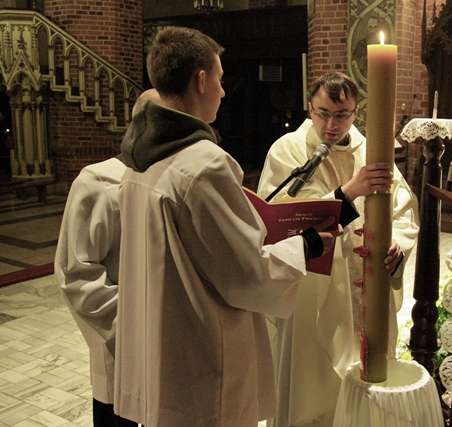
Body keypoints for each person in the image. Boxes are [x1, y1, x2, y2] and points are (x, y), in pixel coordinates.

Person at [113, 27, 334, 427]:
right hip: (202, 353)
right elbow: (247, 275)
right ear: (201, 80)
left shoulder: (137, 162)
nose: (223, 90)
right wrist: (306, 246)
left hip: (161, 344)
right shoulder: (204, 165)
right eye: (219, 78)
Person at [257, 72, 419, 427]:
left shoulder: (371, 151)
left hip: (366, 284)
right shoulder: (288, 150)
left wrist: (396, 242)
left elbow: (403, 209)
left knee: (365, 380)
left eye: (342, 115)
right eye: (323, 114)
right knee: (311, 382)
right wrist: (349, 191)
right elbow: (282, 215)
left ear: (355, 112)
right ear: (309, 108)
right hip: (313, 289)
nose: (331, 125)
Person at [54, 89, 160, 427]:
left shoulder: (178, 179)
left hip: (174, 347)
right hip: (123, 342)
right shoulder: (99, 181)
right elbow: (77, 275)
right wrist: (137, 325)